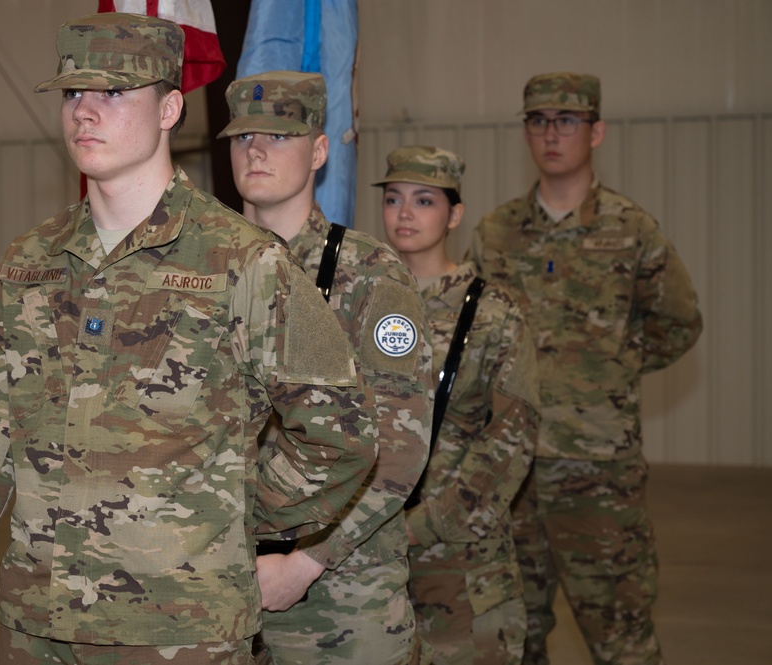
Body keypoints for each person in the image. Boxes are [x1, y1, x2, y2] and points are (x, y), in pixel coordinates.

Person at [0, 14, 379, 665]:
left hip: (180, 633)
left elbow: (342, 434)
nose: (85, 112)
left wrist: (221, 514)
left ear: (169, 108)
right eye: (74, 94)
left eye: (113, 93)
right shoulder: (29, 265)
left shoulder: (244, 263)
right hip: (36, 629)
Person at [467, 72, 703, 665]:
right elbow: (471, 338)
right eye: (538, 121)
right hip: (512, 472)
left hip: (598, 471)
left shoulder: (631, 229)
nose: (552, 134)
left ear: (595, 132)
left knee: (620, 634)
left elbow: (680, 321)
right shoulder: (495, 235)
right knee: (512, 634)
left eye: (566, 121)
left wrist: (611, 370)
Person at [219, 70, 434, 664]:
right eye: (242, 137)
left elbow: (402, 446)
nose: (256, 150)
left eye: (278, 136)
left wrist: (309, 563)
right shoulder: (202, 274)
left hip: (341, 600)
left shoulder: (369, 275)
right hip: (214, 591)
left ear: (319, 151)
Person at [376, 146, 540, 664]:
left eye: (424, 200)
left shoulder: (494, 313)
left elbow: (512, 437)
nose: (405, 213)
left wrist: (423, 524)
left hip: (461, 558)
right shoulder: (357, 301)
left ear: (455, 215)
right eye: (394, 198)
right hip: (366, 558)